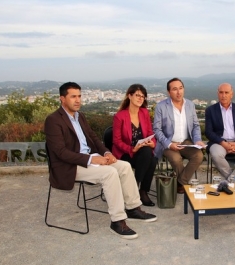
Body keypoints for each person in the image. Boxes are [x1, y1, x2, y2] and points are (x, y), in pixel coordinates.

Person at [44, 82, 157, 240]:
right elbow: (61, 152)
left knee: (124, 166)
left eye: (79, 96)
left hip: (90, 159)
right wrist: (92, 158)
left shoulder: (80, 116)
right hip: (69, 165)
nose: (78, 100)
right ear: (62, 99)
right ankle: (117, 221)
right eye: (73, 96)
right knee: (109, 173)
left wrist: (106, 152)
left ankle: (133, 208)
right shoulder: (53, 120)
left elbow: (94, 139)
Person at [153, 77, 205, 194]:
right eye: (175, 89)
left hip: (186, 142)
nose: (178, 92)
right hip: (168, 142)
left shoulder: (190, 105)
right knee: (176, 160)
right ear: (169, 92)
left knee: (199, 156)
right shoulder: (161, 106)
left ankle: (180, 183)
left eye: (181, 88)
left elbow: (196, 125)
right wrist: (169, 144)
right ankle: (184, 185)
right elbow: (157, 129)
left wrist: (197, 140)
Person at [112, 84, 157, 207]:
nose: (140, 98)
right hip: (125, 153)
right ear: (129, 96)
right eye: (137, 95)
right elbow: (117, 141)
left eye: (143, 96)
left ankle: (140, 191)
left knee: (151, 157)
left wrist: (152, 143)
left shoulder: (144, 113)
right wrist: (132, 149)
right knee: (150, 158)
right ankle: (137, 189)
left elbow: (150, 133)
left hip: (142, 152)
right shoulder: (119, 116)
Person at [205, 83, 235, 180]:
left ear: (232, 94)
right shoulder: (210, 110)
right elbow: (208, 132)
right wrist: (223, 143)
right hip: (219, 142)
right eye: (221, 92)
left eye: (226, 92)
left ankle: (232, 179)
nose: (223, 95)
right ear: (217, 94)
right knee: (216, 154)